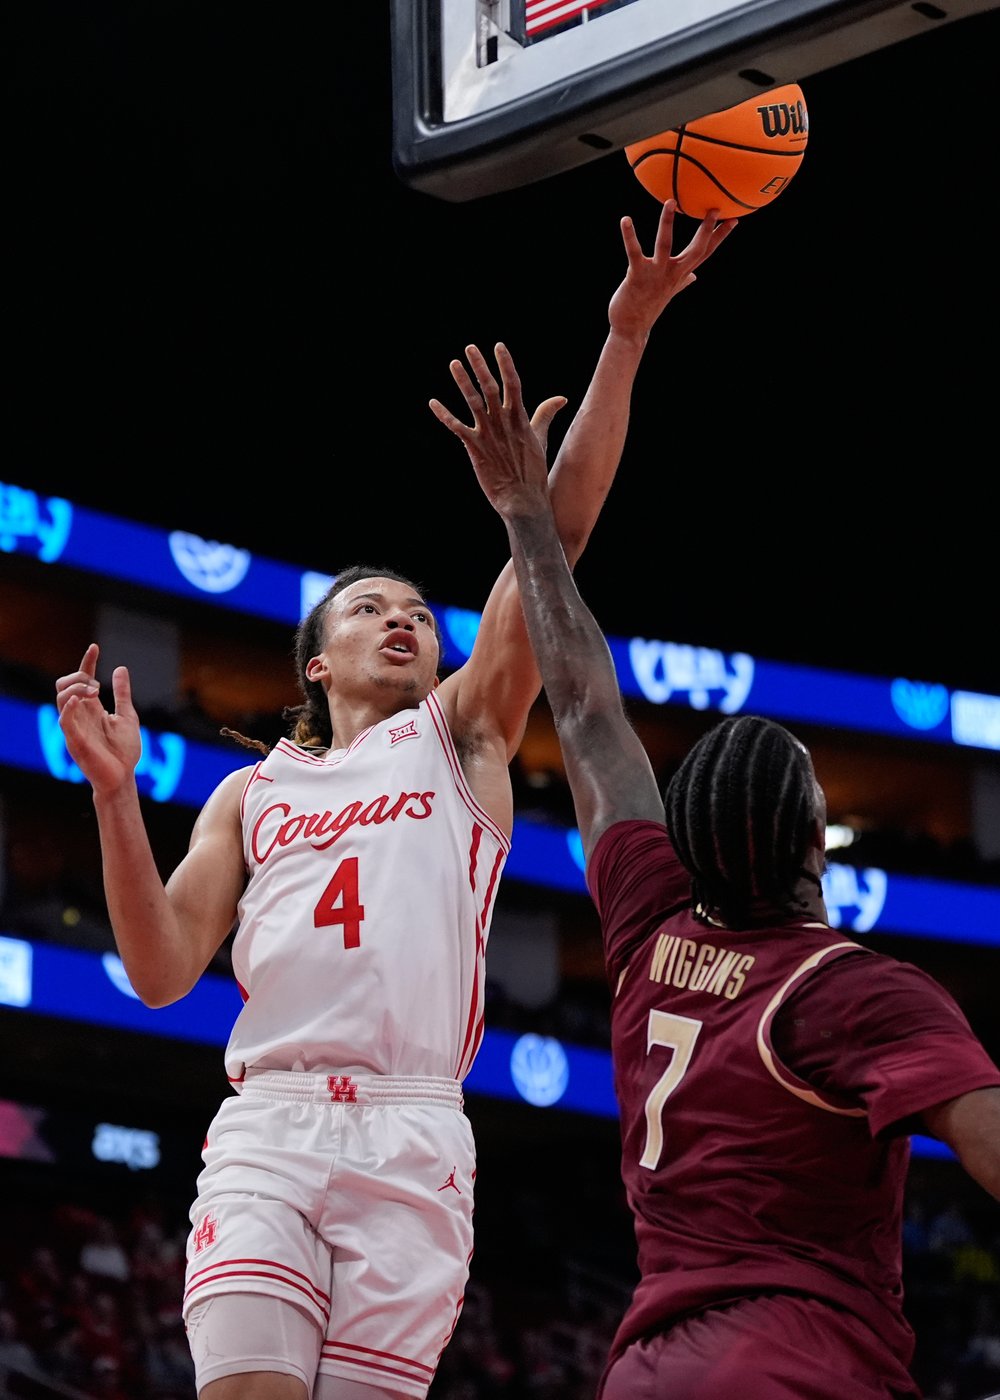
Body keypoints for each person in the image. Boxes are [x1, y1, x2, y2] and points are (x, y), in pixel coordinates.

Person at [53, 196, 737, 1400]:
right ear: (314, 660)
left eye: (417, 606)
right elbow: (160, 971)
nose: (403, 616)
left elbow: (558, 536)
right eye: (370, 606)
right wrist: (115, 796)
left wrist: (625, 333)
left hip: (414, 1131)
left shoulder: (463, 728)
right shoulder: (249, 792)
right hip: (267, 1124)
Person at [434, 335, 1000, 1400]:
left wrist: (521, 510)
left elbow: (586, 704)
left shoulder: (652, 923)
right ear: (809, 841)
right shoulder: (857, 993)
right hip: (800, 1366)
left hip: (646, 1367)